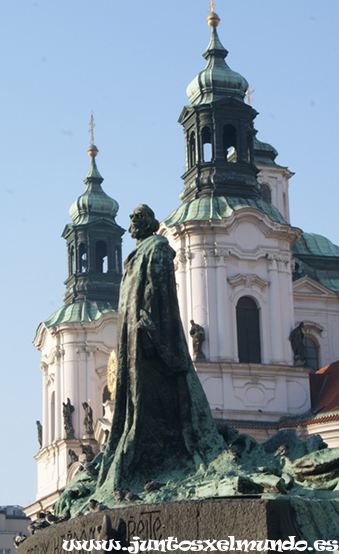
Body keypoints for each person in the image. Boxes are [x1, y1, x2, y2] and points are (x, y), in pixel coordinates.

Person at [97, 205, 224, 490]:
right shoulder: (138, 254)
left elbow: (157, 291)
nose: (132, 222)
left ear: (150, 222)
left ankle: (157, 457)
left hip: (148, 337)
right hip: (134, 339)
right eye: (131, 218)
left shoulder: (158, 248)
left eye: (138, 217)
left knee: (153, 401)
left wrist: (150, 329)